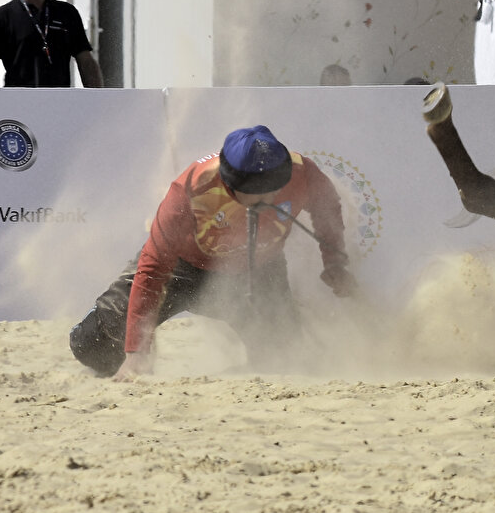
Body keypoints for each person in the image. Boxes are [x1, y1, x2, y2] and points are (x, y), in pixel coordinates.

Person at [69, 125, 359, 380]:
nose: (272, 196)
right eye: (261, 190)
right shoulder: (191, 190)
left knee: (283, 359)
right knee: (94, 346)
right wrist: (135, 351)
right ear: (232, 184)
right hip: (183, 270)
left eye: (276, 185)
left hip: (258, 271)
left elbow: (327, 209)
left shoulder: (302, 171)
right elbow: (154, 268)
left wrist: (334, 264)